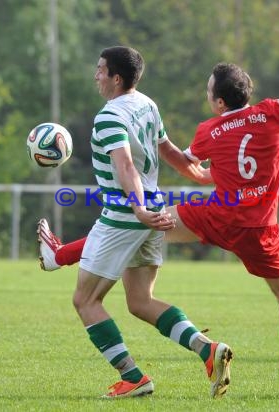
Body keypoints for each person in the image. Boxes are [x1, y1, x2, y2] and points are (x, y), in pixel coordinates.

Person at [38, 62, 279, 397]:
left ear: (219, 103)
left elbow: (187, 163)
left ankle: (61, 256)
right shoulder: (273, 112)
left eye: (207, 91)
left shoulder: (209, 131)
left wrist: (192, 169)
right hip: (260, 228)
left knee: (146, 222)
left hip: (216, 215)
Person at [64, 46, 232, 400]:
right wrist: (198, 174)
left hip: (126, 216)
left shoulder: (110, 116)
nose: (95, 75)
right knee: (140, 301)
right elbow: (167, 149)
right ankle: (207, 349)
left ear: (116, 78)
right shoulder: (146, 104)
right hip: (153, 211)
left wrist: (138, 208)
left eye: (100, 70)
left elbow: (125, 165)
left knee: (85, 300)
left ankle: (132, 377)